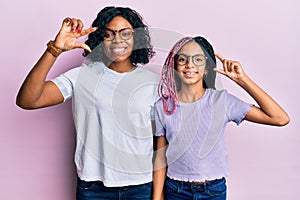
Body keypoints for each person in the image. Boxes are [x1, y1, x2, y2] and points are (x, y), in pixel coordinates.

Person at [16, 6, 160, 200]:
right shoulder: (82, 76)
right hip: (93, 188)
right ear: (100, 39)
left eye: (125, 33)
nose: (117, 40)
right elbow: (28, 100)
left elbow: (162, 142)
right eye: (109, 34)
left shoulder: (153, 83)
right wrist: (54, 50)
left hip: (140, 187)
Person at [152, 36, 290, 200]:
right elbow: (160, 157)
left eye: (198, 59)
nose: (190, 65)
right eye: (183, 59)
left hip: (212, 191)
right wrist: (157, 196)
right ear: (175, 66)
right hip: (176, 190)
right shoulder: (162, 106)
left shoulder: (222, 101)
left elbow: (280, 118)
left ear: (207, 68)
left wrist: (242, 80)